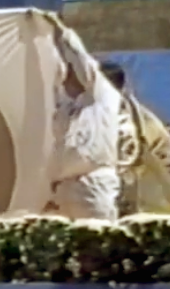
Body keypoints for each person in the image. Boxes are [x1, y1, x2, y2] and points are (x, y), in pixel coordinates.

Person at [43, 12, 122, 221]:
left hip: (93, 184)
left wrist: (59, 30)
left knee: (97, 244)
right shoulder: (63, 105)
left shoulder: (101, 95)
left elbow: (80, 58)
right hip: (62, 188)